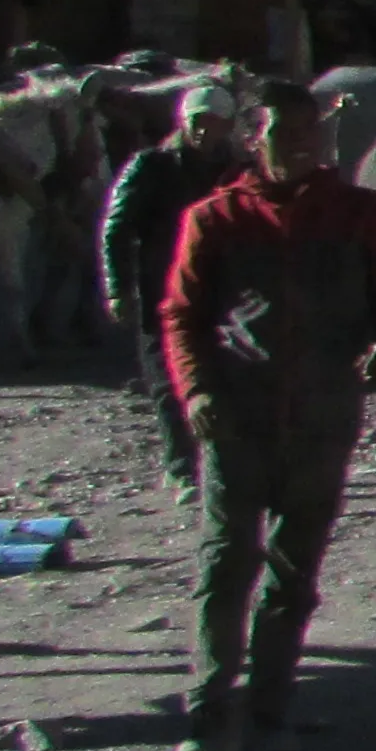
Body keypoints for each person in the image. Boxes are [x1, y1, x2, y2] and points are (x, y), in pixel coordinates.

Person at [155, 79, 376, 751]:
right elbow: (182, 314)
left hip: (324, 415)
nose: (302, 145)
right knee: (224, 561)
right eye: (284, 133)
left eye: (313, 132)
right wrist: (197, 390)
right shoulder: (216, 219)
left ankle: (270, 710)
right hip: (238, 411)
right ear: (252, 140)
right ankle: (211, 710)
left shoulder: (364, 214)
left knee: (294, 572)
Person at [100, 82, 247, 496]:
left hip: (222, 290)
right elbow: (118, 227)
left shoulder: (237, 170)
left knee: (225, 373)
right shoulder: (152, 166)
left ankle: (224, 464)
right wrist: (119, 287)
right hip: (161, 287)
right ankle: (181, 467)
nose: (204, 132)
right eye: (197, 123)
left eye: (213, 123)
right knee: (167, 382)